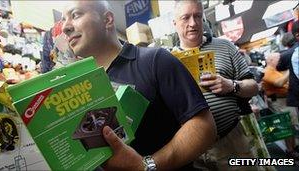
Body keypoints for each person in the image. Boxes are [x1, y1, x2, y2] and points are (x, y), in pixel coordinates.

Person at [61, 1, 216, 170]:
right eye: (63, 20)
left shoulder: (155, 60)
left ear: (107, 20)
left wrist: (145, 166)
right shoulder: (80, 87)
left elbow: (204, 127)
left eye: (75, 15)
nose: (65, 27)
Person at [172, 0, 260, 170]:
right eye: (185, 17)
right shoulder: (168, 60)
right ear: (174, 23)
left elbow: (254, 86)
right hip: (192, 150)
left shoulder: (225, 46)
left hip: (231, 139)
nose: (193, 23)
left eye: (198, 16)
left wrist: (232, 85)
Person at [262, 53, 299, 159]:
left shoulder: (275, 70)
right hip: (278, 101)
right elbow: (279, 83)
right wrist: (291, 69)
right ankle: (290, 150)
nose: (281, 60)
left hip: (283, 100)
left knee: (290, 125)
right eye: (279, 59)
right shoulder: (267, 71)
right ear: (271, 60)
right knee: (286, 125)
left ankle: (293, 147)